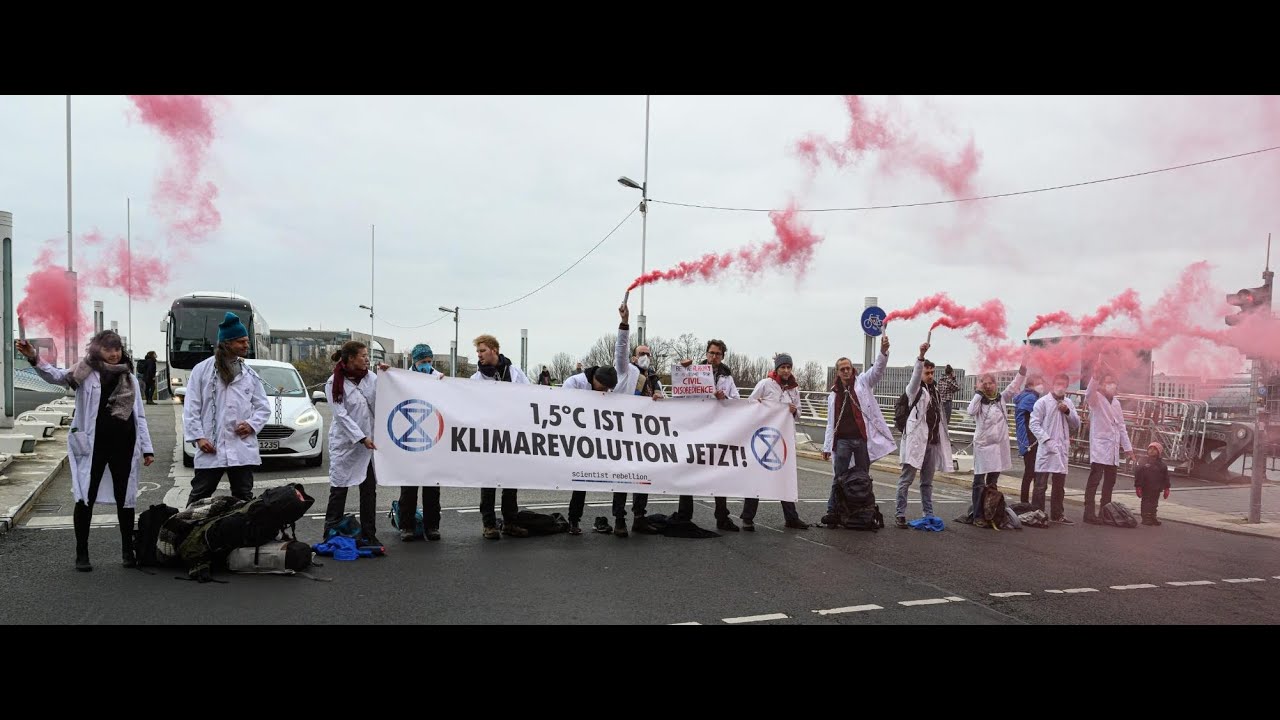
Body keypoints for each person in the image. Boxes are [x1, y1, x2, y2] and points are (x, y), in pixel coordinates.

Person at [18, 332, 155, 571]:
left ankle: (127, 551)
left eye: (117, 349)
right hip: (93, 445)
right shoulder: (85, 372)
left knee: (126, 499)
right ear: (96, 350)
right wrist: (34, 358)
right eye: (108, 350)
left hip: (124, 445)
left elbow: (139, 416)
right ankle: (82, 553)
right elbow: (56, 376)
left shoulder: (129, 377)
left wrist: (147, 448)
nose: (114, 354)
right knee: (85, 497)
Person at [182, 312, 270, 506]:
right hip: (211, 446)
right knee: (200, 495)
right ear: (227, 343)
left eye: (247, 341)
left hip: (241, 448)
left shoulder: (249, 374)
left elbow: (263, 407)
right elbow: (191, 408)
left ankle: (242, 535)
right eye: (241, 341)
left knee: (243, 496)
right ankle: (184, 532)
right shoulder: (202, 370)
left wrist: (252, 425)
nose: (246, 345)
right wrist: (199, 437)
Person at [822, 335, 894, 517]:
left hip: (861, 440)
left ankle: (862, 511)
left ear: (853, 369)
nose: (846, 372)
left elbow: (877, 370)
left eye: (848, 368)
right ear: (837, 372)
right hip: (842, 442)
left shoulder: (863, 383)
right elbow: (831, 423)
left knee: (862, 478)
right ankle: (833, 511)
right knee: (839, 478)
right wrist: (827, 446)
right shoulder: (834, 395)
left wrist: (883, 352)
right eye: (842, 369)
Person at [675, 339, 740, 531]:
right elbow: (680, 392)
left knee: (719, 472)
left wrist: (724, 397)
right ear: (706, 353)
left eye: (717, 354)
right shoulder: (694, 371)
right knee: (689, 470)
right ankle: (685, 515)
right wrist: (682, 369)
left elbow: (736, 401)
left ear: (722, 356)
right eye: (711, 353)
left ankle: (722, 517)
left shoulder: (727, 377)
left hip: (717, 429)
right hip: (695, 427)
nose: (713, 357)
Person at [472, 334, 532, 539]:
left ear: (494, 350)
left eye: (482, 351)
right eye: (478, 352)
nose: (479, 355)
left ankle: (510, 522)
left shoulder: (515, 373)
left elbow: (530, 396)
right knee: (489, 480)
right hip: (489, 435)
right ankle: (489, 524)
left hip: (512, 433)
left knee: (510, 480)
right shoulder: (476, 379)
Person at [323, 341, 382, 545]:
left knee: (368, 489)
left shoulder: (372, 379)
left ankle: (369, 533)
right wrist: (361, 437)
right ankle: (330, 531)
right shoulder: (334, 383)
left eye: (368, 355)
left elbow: (382, 404)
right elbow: (341, 415)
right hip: (346, 443)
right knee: (339, 488)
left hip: (369, 443)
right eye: (363, 355)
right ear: (349, 359)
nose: (367, 359)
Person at [613, 302, 664, 534]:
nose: (645, 357)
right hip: (624, 431)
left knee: (643, 476)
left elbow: (665, 403)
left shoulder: (654, 378)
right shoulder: (625, 370)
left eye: (648, 354)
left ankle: (639, 517)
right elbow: (620, 348)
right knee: (623, 476)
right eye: (641, 354)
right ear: (633, 357)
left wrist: (659, 397)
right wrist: (625, 323)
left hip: (645, 435)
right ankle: (619, 519)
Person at [743, 354, 810, 530]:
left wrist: (794, 410)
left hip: (783, 440)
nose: (786, 371)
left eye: (789, 367)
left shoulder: (794, 389)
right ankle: (748, 517)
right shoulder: (765, 384)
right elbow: (750, 403)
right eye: (783, 367)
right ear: (777, 368)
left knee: (785, 478)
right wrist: (758, 404)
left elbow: (799, 412)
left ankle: (791, 517)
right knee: (756, 478)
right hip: (763, 439)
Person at [959, 366, 1027, 526]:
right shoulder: (979, 402)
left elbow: (1014, 386)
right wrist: (979, 393)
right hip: (983, 447)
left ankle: (990, 512)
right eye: (985, 383)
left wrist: (1022, 370)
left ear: (996, 385)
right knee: (979, 482)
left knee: (993, 482)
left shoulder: (1001, 399)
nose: (988, 386)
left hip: (998, 448)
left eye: (991, 383)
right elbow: (970, 411)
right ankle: (977, 516)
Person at [895, 342, 952, 528]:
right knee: (906, 479)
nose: (930, 376)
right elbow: (914, 377)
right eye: (926, 373)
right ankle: (900, 514)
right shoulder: (914, 390)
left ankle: (928, 513)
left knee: (927, 482)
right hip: (917, 442)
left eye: (932, 373)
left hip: (933, 443)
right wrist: (920, 355)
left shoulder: (935, 391)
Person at [562, 362, 621, 534]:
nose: (605, 392)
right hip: (578, 438)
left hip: (599, 437)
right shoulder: (574, 383)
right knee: (580, 480)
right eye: (602, 388)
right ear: (594, 379)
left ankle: (619, 518)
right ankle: (574, 519)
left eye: (608, 389)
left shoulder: (606, 388)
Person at [397, 344, 444, 542]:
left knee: (432, 485)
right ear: (415, 362)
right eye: (422, 362)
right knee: (409, 485)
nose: (426, 365)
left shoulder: (439, 378)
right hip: (411, 438)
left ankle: (432, 526)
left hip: (432, 436)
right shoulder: (402, 379)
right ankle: (407, 526)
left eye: (428, 361)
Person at [1083, 361, 1136, 524]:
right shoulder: (1096, 399)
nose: (1111, 385)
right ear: (1101, 385)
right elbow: (1088, 394)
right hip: (1100, 448)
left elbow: (1121, 427)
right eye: (1108, 382)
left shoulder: (1117, 403)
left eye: (1113, 382)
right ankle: (1089, 513)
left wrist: (1128, 449)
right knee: (1094, 481)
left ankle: (1105, 512)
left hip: (1112, 449)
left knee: (1110, 482)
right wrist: (1095, 377)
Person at [1029, 373, 1081, 524]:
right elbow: (1034, 424)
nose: (1061, 387)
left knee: (1059, 485)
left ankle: (1057, 514)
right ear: (1052, 384)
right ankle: (1037, 513)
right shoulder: (1042, 402)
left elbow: (1076, 424)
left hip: (1061, 449)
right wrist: (1046, 439)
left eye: (1064, 385)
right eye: (1058, 383)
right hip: (1046, 448)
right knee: (1040, 485)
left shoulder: (1069, 403)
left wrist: (1067, 412)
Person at [1013, 374, 1045, 503]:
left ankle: (1025, 502)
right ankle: (1028, 503)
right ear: (1030, 385)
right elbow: (1042, 416)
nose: (1041, 385)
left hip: (1026, 439)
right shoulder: (1031, 398)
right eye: (1038, 383)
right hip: (1030, 440)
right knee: (1033, 473)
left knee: (1029, 473)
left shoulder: (1025, 397)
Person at [1135, 441, 1171, 526]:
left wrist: (1167, 488)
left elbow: (1166, 477)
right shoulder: (1143, 462)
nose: (1151, 451)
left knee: (1154, 503)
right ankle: (1145, 518)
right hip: (1146, 487)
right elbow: (1138, 474)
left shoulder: (1162, 465)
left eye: (1154, 449)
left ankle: (1152, 516)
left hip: (1157, 488)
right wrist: (1138, 486)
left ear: (1159, 452)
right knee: (1146, 502)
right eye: (1150, 449)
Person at [936, 364, 960, 429]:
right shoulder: (949, 381)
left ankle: (940, 436)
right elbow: (957, 388)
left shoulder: (941, 380)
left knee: (940, 421)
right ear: (951, 372)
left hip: (940, 402)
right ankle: (943, 437)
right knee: (946, 422)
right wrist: (954, 378)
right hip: (947, 402)